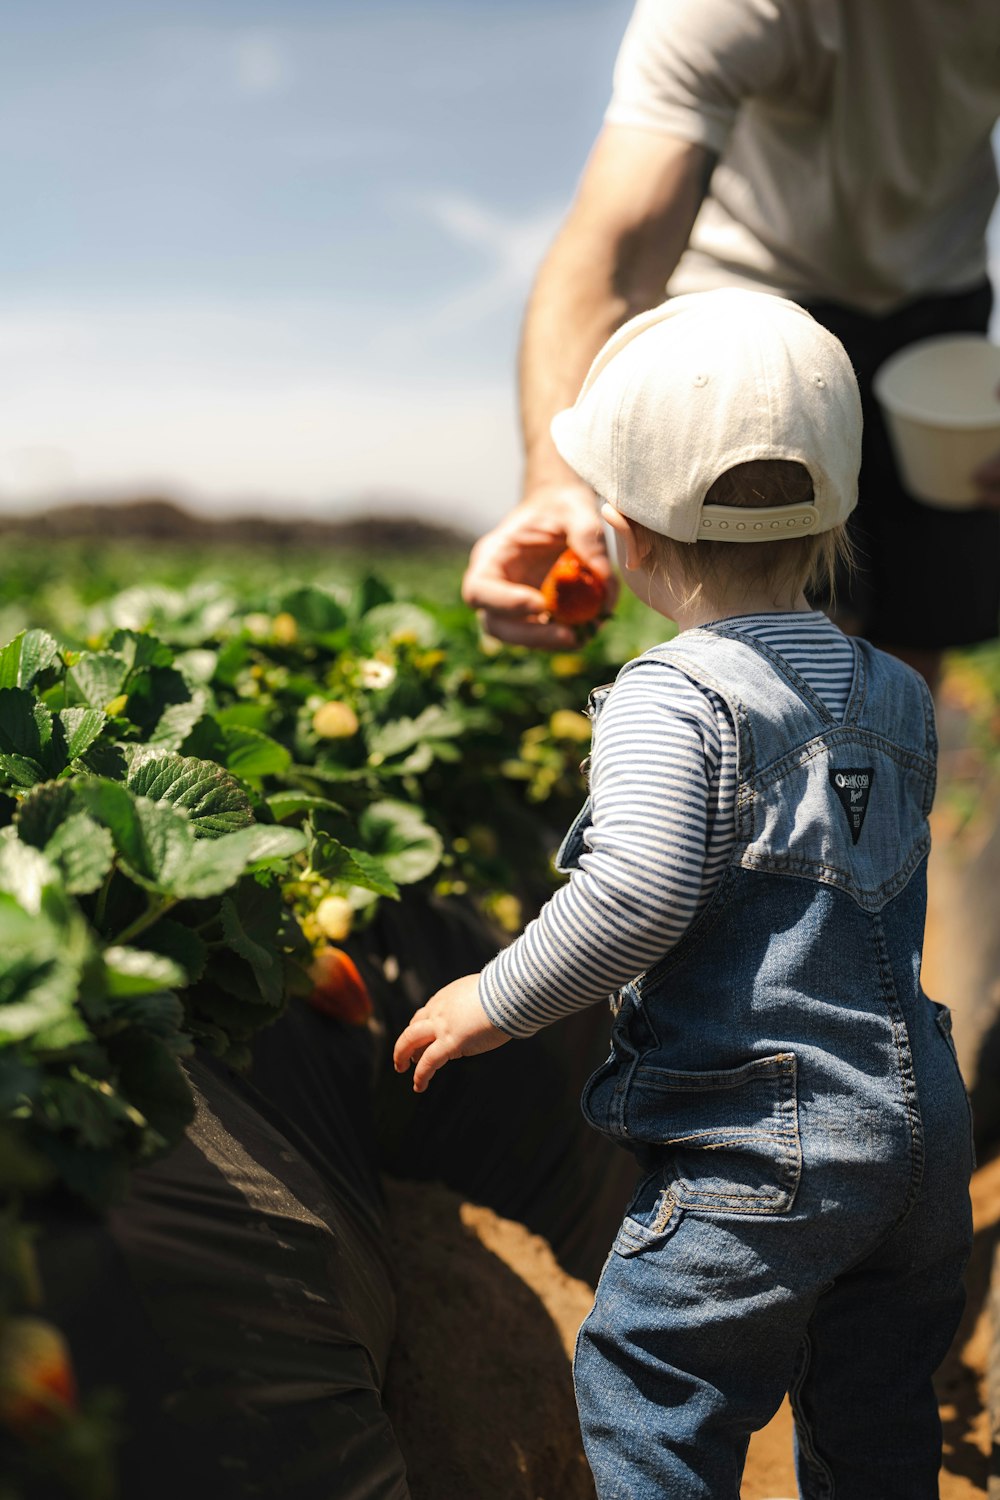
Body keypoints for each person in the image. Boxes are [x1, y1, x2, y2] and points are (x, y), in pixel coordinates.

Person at [395, 289, 975, 1498]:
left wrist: (489, 998)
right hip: (920, 1133)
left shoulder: (675, 696)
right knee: (873, 1415)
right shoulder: (898, 696)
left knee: (650, 1390)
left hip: (765, 1145)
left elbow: (636, 896)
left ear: (619, 529)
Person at [463, 0, 1000, 693]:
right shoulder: (726, 9)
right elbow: (616, 258)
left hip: (937, 299)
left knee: (912, 637)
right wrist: (552, 486)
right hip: (749, 311)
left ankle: (884, 785)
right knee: (743, 618)